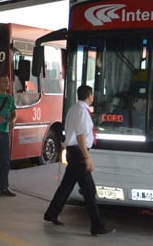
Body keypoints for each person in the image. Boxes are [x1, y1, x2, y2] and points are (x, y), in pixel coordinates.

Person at [43, 85, 114, 236]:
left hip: (72, 152)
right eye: (92, 95)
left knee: (66, 185)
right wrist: (87, 158)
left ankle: (52, 213)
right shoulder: (82, 111)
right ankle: (97, 225)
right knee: (89, 190)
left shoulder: (73, 109)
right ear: (89, 96)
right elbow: (81, 136)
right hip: (78, 153)